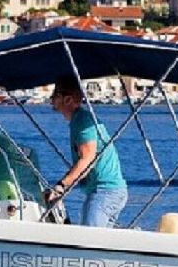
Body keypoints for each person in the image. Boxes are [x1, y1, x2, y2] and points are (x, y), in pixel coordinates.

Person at [42, 76, 128, 227]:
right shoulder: (79, 120)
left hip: (104, 191)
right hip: (109, 191)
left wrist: (61, 186)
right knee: (99, 244)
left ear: (68, 99)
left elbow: (87, 159)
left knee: (88, 241)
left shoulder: (82, 121)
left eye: (55, 95)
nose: (51, 99)